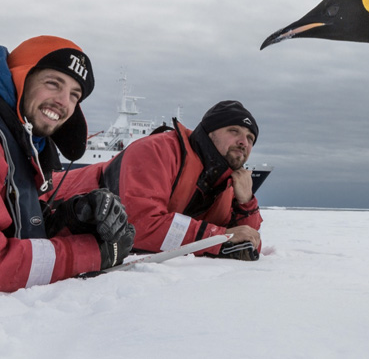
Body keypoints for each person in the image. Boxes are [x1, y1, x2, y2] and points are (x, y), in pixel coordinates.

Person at [0, 36, 135, 292]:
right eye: (53, 83)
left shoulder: (23, 144)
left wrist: (72, 219)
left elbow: (18, 233)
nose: (64, 102)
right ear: (20, 77)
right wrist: (92, 253)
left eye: (75, 95)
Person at [63, 100, 263, 261]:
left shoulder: (226, 184)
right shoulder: (156, 151)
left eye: (250, 138)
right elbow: (139, 225)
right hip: (50, 205)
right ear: (209, 132)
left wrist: (246, 203)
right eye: (234, 131)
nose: (243, 142)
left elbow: (248, 240)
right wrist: (219, 237)